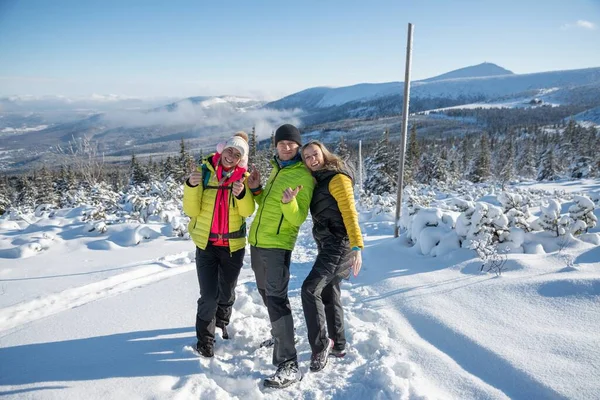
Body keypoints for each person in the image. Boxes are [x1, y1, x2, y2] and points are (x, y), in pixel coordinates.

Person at [247, 124, 315, 389]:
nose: (286, 148)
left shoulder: (304, 175)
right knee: (266, 294)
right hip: (258, 242)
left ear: (298, 147)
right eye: (281, 143)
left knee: (276, 299)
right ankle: (279, 335)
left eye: (291, 144)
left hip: (278, 246)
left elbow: (297, 217)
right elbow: (266, 206)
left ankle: (288, 362)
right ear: (275, 146)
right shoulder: (277, 169)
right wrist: (256, 190)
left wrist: (290, 203)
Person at [183, 131, 255, 358]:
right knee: (208, 296)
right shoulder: (204, 173)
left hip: (233, 246)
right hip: (206, 245)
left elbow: (247, 212)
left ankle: (222, 321)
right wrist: (191, 186)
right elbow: (191, 211)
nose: (231, 156)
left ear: (241, 159)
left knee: (226, 292)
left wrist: (243, 194)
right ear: (221, 150)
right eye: (229, 150)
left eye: (237, 154)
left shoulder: (244, 178)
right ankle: (205, 341)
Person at [300, 140, 363, 372]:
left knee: (310, 289)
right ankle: (339, 345)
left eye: (314, 154)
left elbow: (350, 213)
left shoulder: (337, 178)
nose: (311, 159)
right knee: (329, 292)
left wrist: (357, 247)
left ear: (323, 154)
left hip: (339, 245)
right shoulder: (320, 180)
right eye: (306, 157)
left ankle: (321, 345)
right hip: (328, 244)